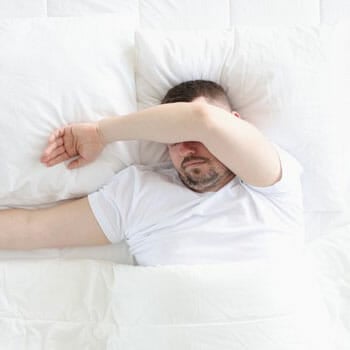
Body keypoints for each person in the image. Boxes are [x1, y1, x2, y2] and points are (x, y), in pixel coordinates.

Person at [0, 80, 304, 265]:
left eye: (195, 136)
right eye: (171, 139)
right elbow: (30, 228)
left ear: (236, 123)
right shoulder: (138, 191)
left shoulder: (272, 181)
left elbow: (202, 119)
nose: (185, 148)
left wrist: (100, 133)